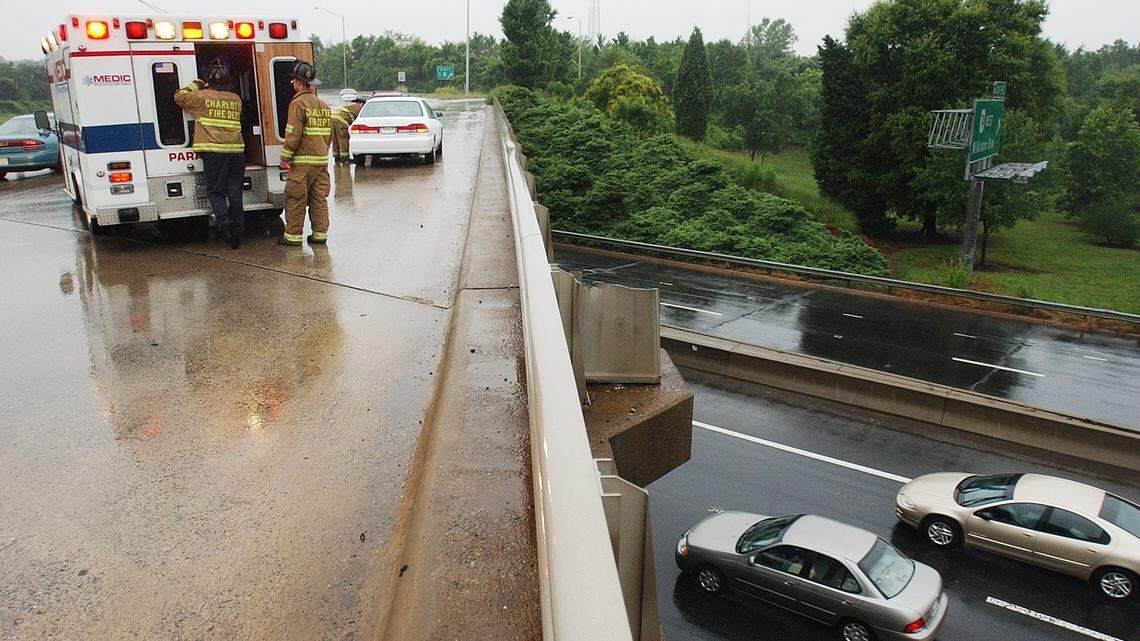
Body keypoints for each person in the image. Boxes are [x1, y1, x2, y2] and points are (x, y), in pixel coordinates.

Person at [173, 60, 246, 249]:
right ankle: (238, 231)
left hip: (214, 153)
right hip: (237, 152)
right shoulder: (235, 99)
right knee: (235, 193)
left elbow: (179, 97)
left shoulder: (202, 97)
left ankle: (224, 224)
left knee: (216, 192)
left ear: (208, 81)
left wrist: (195, 84)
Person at [278, 61, 332, 247]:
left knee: (296, 198)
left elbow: (293, 134)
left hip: (302, 162)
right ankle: (320, 235)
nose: (293, 85)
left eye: (294, 82)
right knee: (318, 198)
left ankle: (292, 237)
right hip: (321, 162)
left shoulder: (298, 103)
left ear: (299, 83)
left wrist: (285, 158)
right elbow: (328, 135)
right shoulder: (324, 105)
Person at [330, 96, 366, 163]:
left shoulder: (349, 105)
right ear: (361, 103)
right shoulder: (358, 108)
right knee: (343, 139)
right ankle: (344, 158)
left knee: (335, 139)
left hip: (332, 119)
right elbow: (361, 119)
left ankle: (336, 157)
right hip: (341, 121)